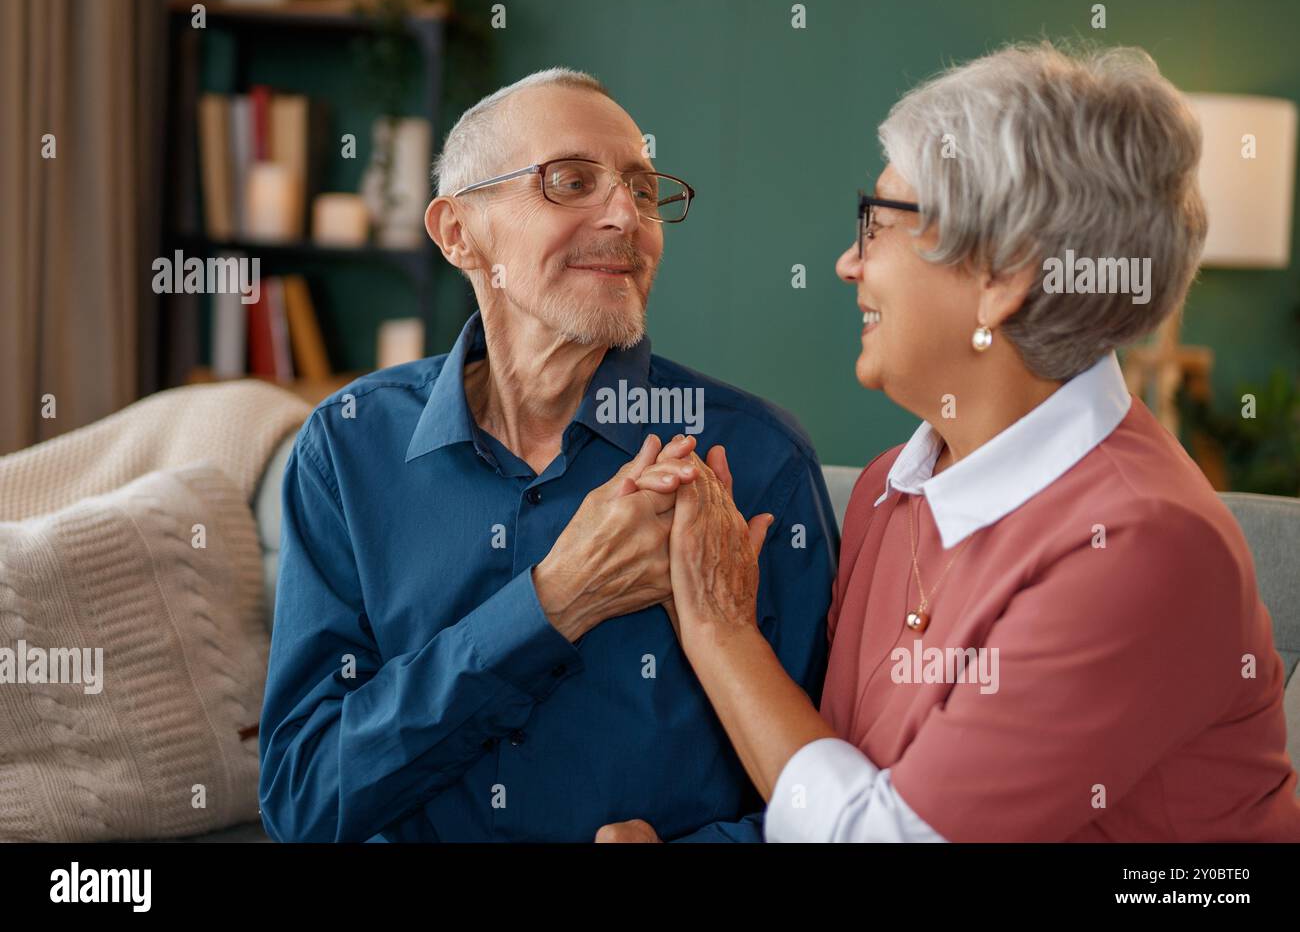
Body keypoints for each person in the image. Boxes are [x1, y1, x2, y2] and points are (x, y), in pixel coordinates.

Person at [609, 42, 1300, 842]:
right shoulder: (887, 491)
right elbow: (834, 783)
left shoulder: (1144, 544)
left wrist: (719, 629)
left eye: (878, 224)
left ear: (1004, 274)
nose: (846, 264)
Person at [258, 68, 837, 842]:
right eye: (570, 181)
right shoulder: (346, 448)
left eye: (641, 188)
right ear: (458, 232)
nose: (625, 217)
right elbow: (304, 800)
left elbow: (829, 802)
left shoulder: (760, 461)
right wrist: (553, 601)